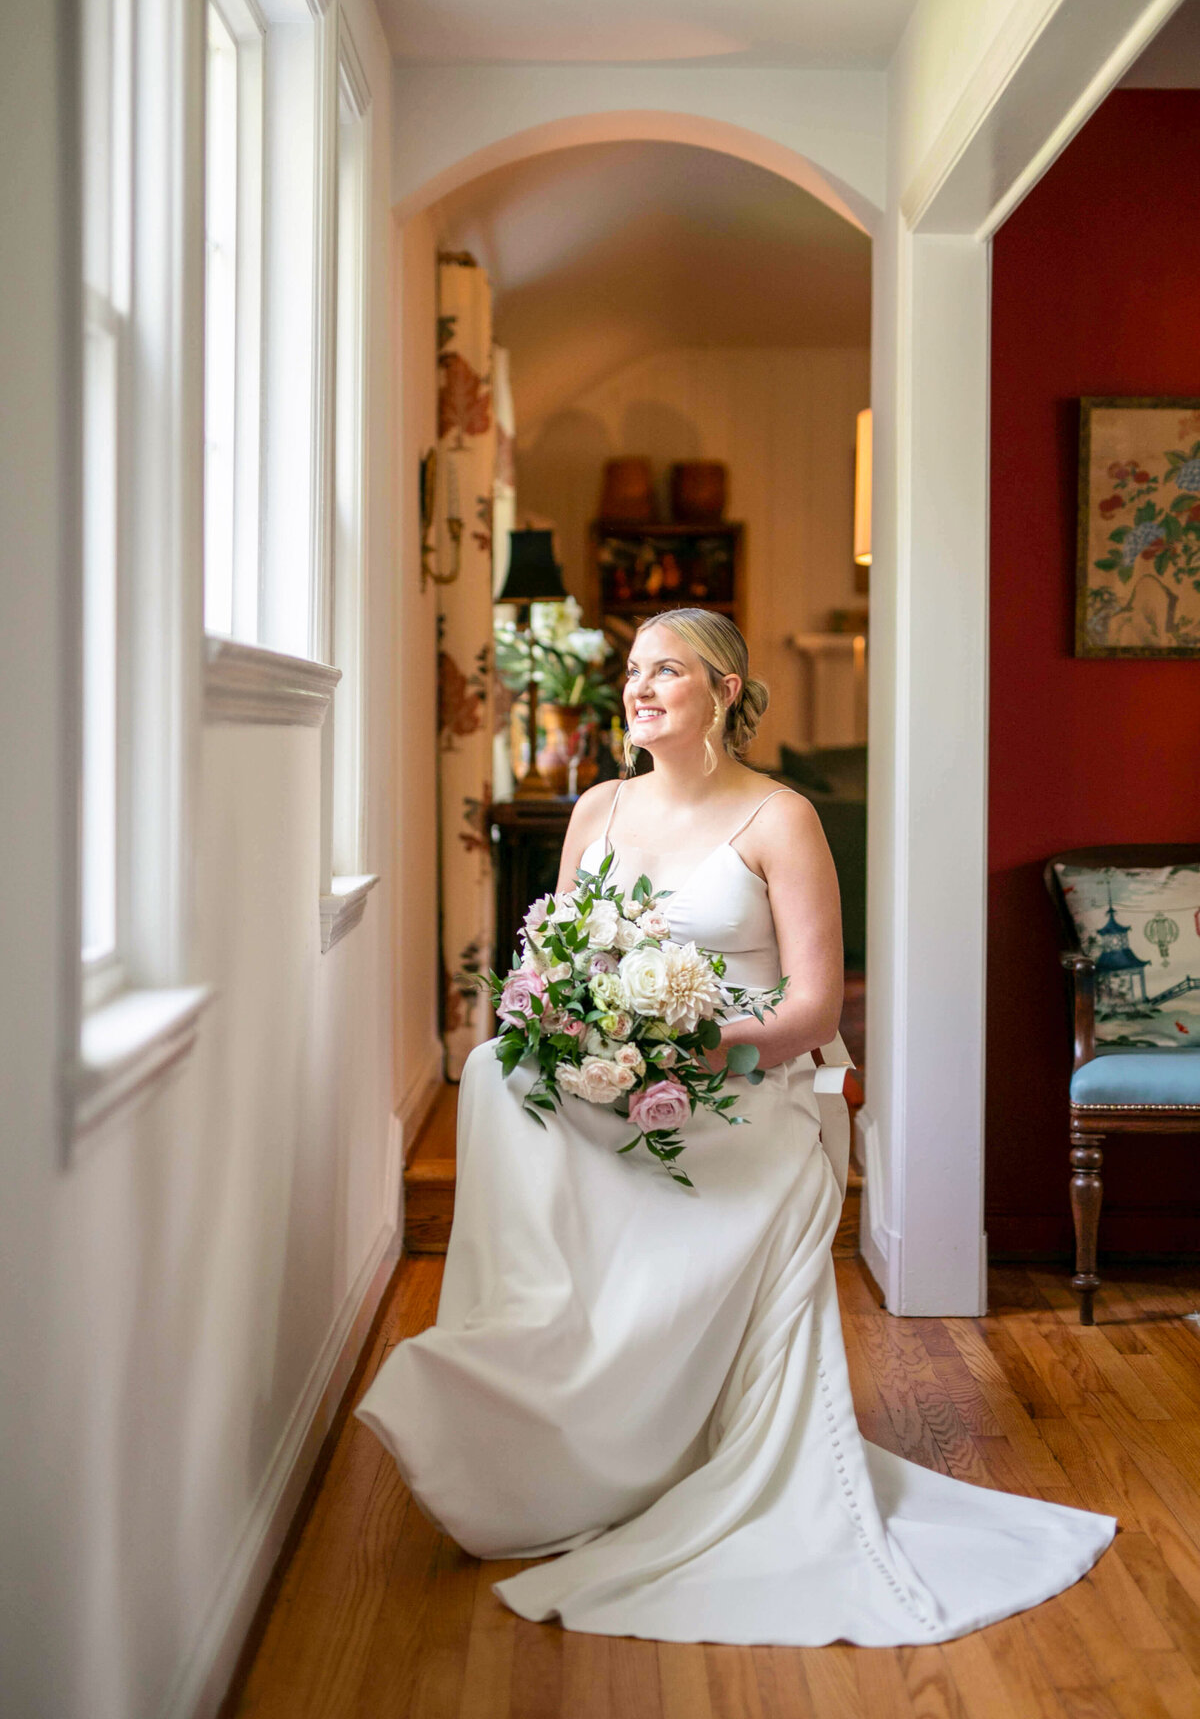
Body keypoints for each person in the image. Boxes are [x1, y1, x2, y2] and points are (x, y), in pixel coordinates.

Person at [357, 609, 1114, 1646]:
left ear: (724, 689)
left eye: (667, 668)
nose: (640, 685)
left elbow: (810, 1009)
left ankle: (657, 1435)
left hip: (736, 1092)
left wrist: (691, 1043)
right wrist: (577, 1028)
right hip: (617, 1079)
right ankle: (525, 1363)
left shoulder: (778, 819)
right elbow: (555, 966)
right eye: (632, 671)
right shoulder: (597, 811)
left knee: (595, 1108)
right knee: (495, 1071)